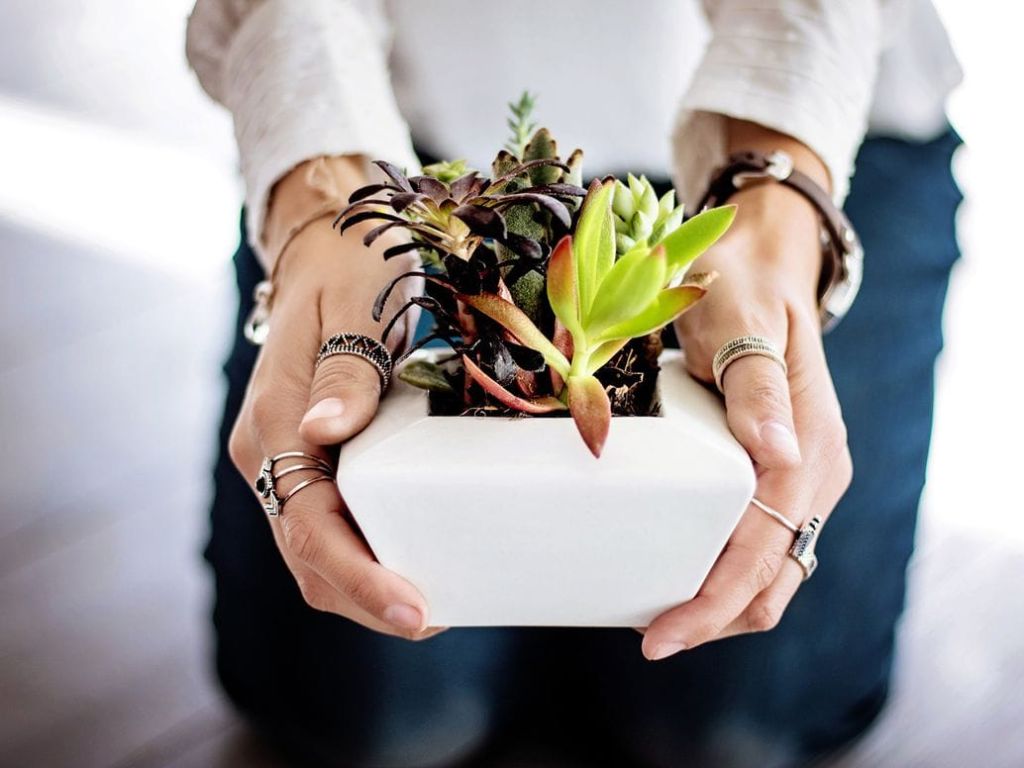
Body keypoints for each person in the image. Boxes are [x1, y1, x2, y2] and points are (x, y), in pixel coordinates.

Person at [186, 1, 963, 765]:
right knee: (376, 723)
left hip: (816, 139)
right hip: (414, 161)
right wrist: (317, 194)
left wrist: (776, 196)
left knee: (736, 731)